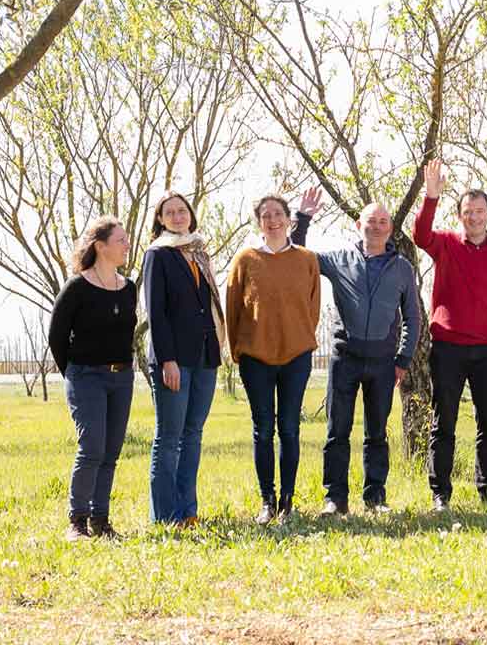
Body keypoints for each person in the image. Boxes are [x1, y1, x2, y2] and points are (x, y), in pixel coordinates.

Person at [292, 189, 422, 516]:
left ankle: (375, 497)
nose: (376, 227)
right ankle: (335, 499)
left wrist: (403, 359)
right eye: (370, 221)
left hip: (383, 362)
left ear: (390, 229)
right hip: (344, 359)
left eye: (383, 222)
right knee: (337, 431)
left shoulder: (402, 268)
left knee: (376, 433)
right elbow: (298, 255)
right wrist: (303, 218)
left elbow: (413, 317)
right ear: (357, 224)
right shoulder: (338, 259)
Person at [414, 159, 487, 512]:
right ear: (459, 215)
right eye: (467, 211)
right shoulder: (444, 244)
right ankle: (440, 494)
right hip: (448, 348)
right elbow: (420, 236)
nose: (473, 217)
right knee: (443, 422)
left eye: (479, 211)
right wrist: (430, 197)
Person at [225, 194, 321, 524]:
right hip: (256, 357)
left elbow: (313, 307)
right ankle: (267, 499)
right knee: (263, 429)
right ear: (259, 222)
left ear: (288, 219)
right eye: (265, 215)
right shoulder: (245, 260)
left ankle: (288, 500)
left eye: (278, 213)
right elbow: (233, 308)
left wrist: (301, 337)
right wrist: (237, 349)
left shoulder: (306, 259)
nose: (272, 220)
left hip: (296, 356)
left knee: (290, 429)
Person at [48, 217, 137, 541]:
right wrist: (75, 373)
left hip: (122, 378)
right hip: (86, 377)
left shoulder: (129, 287)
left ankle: (101, 522)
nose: (127, 245)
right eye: (121, 240)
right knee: (92, 448)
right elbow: (57, 336)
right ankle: (77, 521)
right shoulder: (77, 287)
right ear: (100, 246)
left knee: (111, 451)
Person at [143, 192, 224, 527]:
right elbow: (156, 312)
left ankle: (187, 511)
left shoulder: (199, 251)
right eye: (169, 212)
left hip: (205, 356)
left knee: (193, 434)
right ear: (160, 219)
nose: (177, 216)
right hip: (173, 360)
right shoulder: (158, 254)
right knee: (170, 437)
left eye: (182, 210)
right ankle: (164, 516)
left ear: (191, 215)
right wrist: (167, 360)